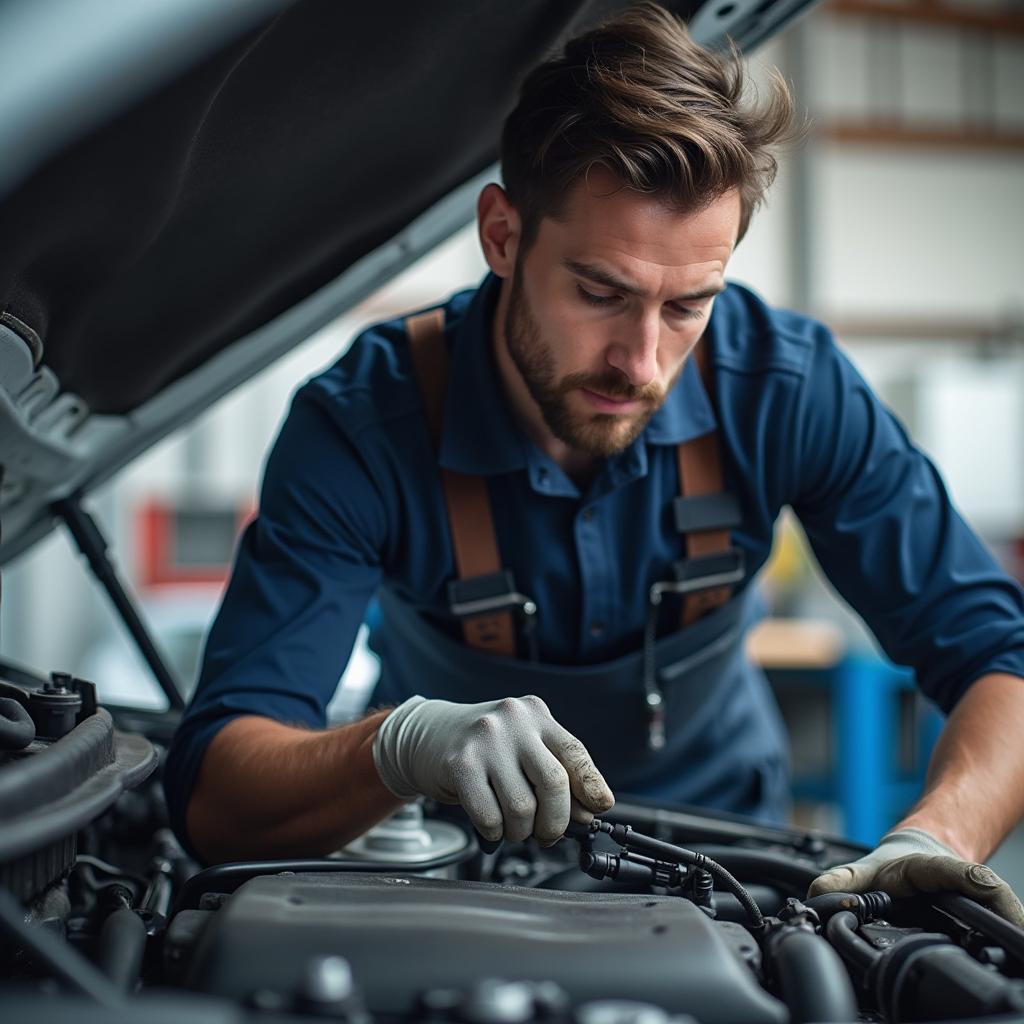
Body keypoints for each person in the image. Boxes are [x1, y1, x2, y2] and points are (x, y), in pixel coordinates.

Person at [164, 3, 1024, 924]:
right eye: (600, 292)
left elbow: (995, 655)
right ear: (502, 235)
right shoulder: (364, 425)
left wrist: (941, 833)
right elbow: (217, 797)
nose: (643, 361)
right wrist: (396, 747)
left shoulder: (785, 389)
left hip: (730, 873)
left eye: (690, 305)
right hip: (454, 877)